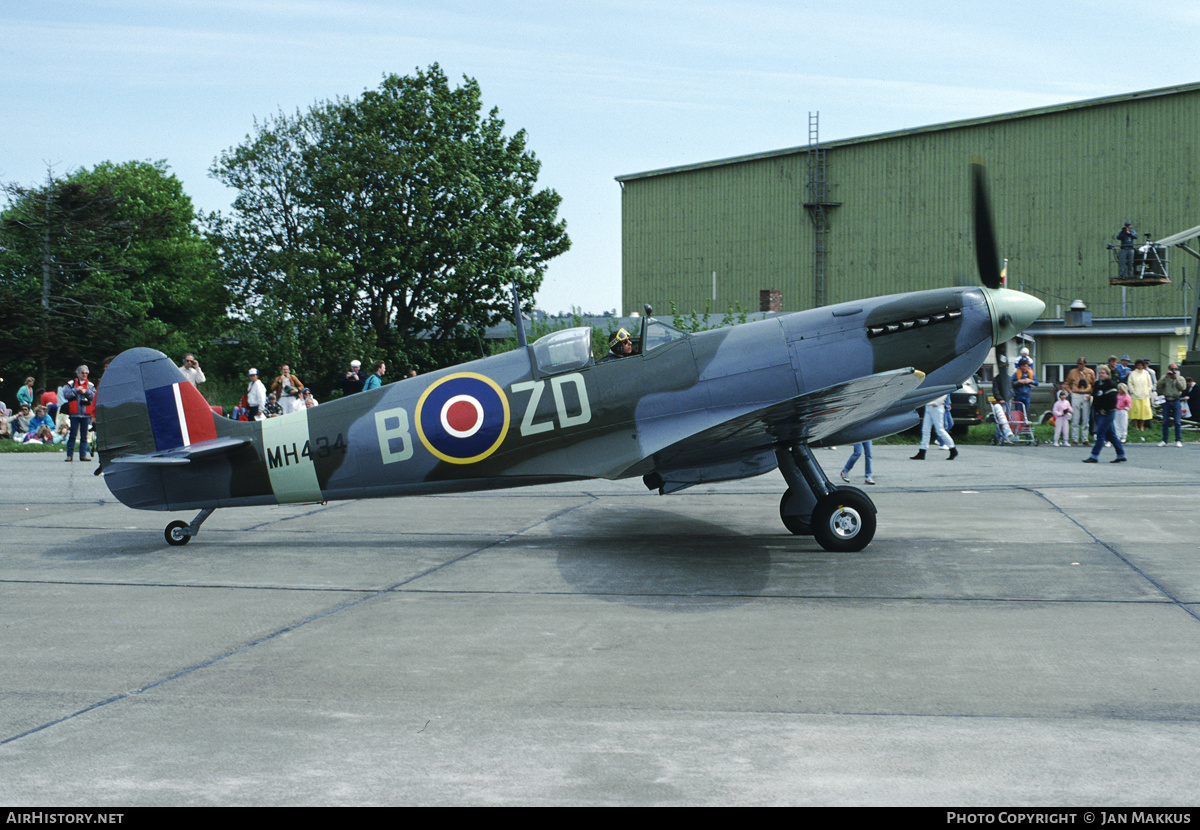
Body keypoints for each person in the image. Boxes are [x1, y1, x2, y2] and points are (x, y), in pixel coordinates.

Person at [1083, 366, 1125, 463]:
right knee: (1111, 434)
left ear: (1107, 374)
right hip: (1098, 412)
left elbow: (1112, 400)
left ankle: (1094, 456)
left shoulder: (1111, 384)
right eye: (1099, 372)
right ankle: (1121, 454)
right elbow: (1096, 397)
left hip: (1108, 413)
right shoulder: (1098, 384)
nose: (1101, 374)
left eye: (1103, 372)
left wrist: (1104, 409)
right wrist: (1097, 408)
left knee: (1100, 433)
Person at [62, 365, 96, 462]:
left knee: (84, 435)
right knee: (72, 434)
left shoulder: (90, 385)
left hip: (86, 414)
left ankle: (83, 455)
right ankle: (69, 455)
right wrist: (76, 390)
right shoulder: (71, 384)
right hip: (74, 414)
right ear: (78, 374)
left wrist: (85, 392)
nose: (84, 375)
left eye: (86, 373)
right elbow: (66, 395)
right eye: (82, 373)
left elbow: (94, 396)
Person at [911, 395, 957, 460]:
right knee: (925, 430)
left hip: (936, 406)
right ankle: (922, 452)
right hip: (929, 406)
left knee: (940, 430)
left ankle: (953, 449)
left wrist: (938, 402)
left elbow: (944, 391)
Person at [1065, 357, 1096, 444]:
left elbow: (1094, 384)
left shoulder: (1090, 372)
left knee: (1086, 418)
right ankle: (1075, 439)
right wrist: (1070, 392)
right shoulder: (1073, 372)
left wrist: (1090, 394)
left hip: (1086, 394)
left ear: (1085, 364)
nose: (1080, 365)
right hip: (1076, 394)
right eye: (1078, 363)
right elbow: (1067, 383)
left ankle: (1085, 438)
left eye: (1081, 363)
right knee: (1075, 417)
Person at [1157, 363, 1187, 447]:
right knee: (1165, 421)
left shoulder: (1180, 378)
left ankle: (1178, 440)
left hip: (1176, 400)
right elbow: (1158, 387)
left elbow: (1182, 388)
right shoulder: (1164, 377)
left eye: (1175, 369)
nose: (1174, 371)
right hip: (1166, 400)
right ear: (1169, 369)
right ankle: (1164, 440)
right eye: (1172, 369)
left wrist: (1176, 379)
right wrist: (1165, 378)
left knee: (1177, 421)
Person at [1126, 359, 1153, 434]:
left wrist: (1147, 391)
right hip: (1135, 396)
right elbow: (1130, 384)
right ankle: (1136, 426)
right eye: (1138, 365)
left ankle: (1142, 426)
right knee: (1136, 412)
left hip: (1145, 396)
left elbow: (1150, 384)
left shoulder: (1146, 373)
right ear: (1136, 365)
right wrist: (1133, 392)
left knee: (1144, 412)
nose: (1139, 366)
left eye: (1141, 365)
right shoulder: (1133, 373)